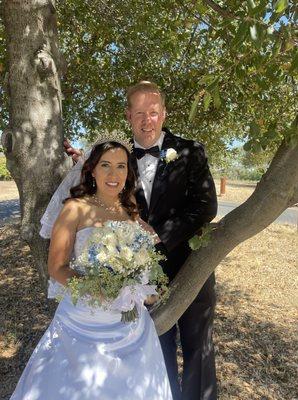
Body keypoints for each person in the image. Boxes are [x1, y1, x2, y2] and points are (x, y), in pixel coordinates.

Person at [65, 81, 218, 400]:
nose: (146, 120)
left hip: (191, 272)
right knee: (155, 355)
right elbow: (100, 201)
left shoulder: (190, 151)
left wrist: (159, 234)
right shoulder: (117, 161)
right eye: (139, 114)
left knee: (198, 353)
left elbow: (206, 206)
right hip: (139, 280)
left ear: (163, 113)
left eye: (152, 112)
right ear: (128, 116)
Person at [9, 139, 173, 400]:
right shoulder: (74, 208)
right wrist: (96, 289)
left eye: (121, 166)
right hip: (83, 322)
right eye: (105, 165)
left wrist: (143, 283)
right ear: (91, 170)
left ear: (128, 173)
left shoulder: (130, 209)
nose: (113, 174)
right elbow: (57, 268)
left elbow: (147, 252)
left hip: (131, 324)